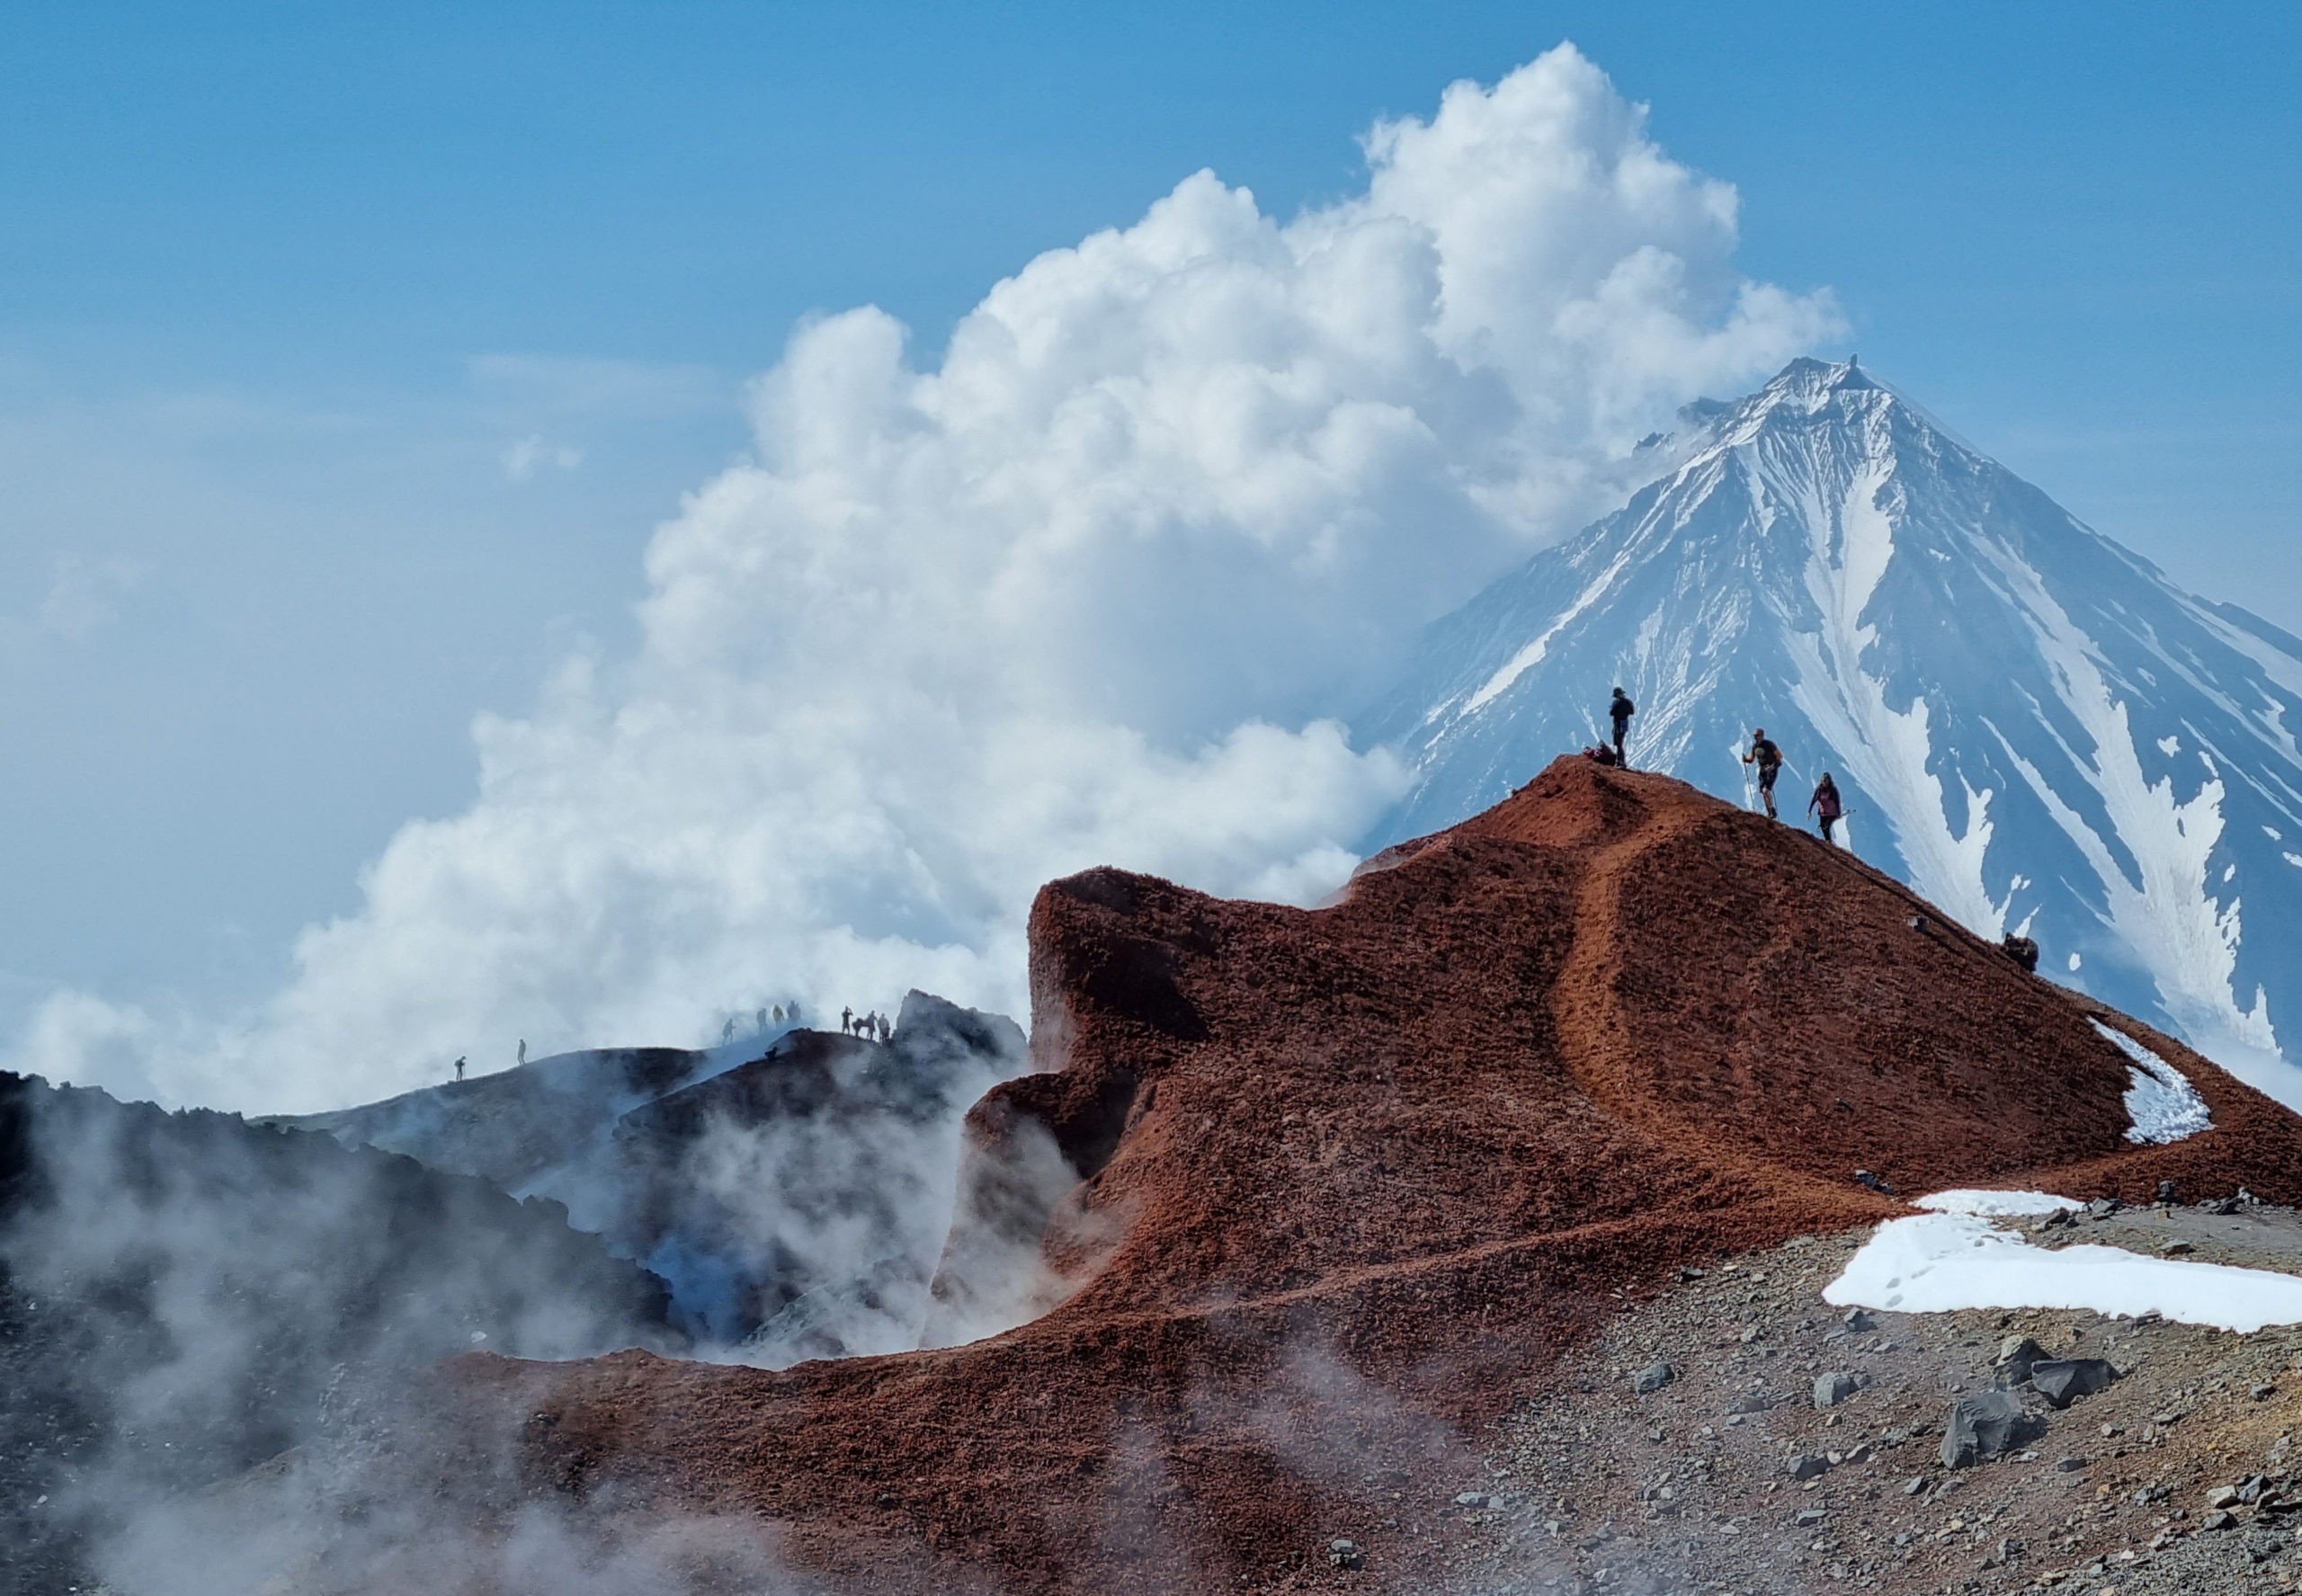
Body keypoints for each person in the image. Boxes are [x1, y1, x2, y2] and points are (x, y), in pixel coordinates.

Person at [1743, 727, 1784, 819]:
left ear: (1761, 736)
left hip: (1771, 770)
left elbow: (1779, 758)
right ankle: (1769, 812)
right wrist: (1745, 759)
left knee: (1766, 790)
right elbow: (1751, 759)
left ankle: (1772, 810)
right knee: (1763, 791)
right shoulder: (1755, 747)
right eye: (1754, 736)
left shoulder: (1769, 745)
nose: (1755, 738)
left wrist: (1772, 767)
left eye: (1757, 736)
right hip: (1762, 771)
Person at [1807, 771, 1844, 843]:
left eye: (1826, 781)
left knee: (1826, 826)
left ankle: (1828, 841)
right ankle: (1828, 841)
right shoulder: (1819, 790)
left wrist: (1838, 812)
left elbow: (1837, 802)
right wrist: (1809, 811)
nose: (1825, 783)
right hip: (1823, 812)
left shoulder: (1833, 790)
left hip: (1832, 813)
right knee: (1823, 827)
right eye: (1823, 781)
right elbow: (1814, 800)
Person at [1608, 687, 1636, 767]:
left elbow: (1611, 713)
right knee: (1621, 742)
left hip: (1618, 723)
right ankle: (1620, 760)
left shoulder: (1616, 702)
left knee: (1618, 743)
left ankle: (1620, 762)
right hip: (1625, 722)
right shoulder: (1628, 702)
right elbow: (1632, 712)